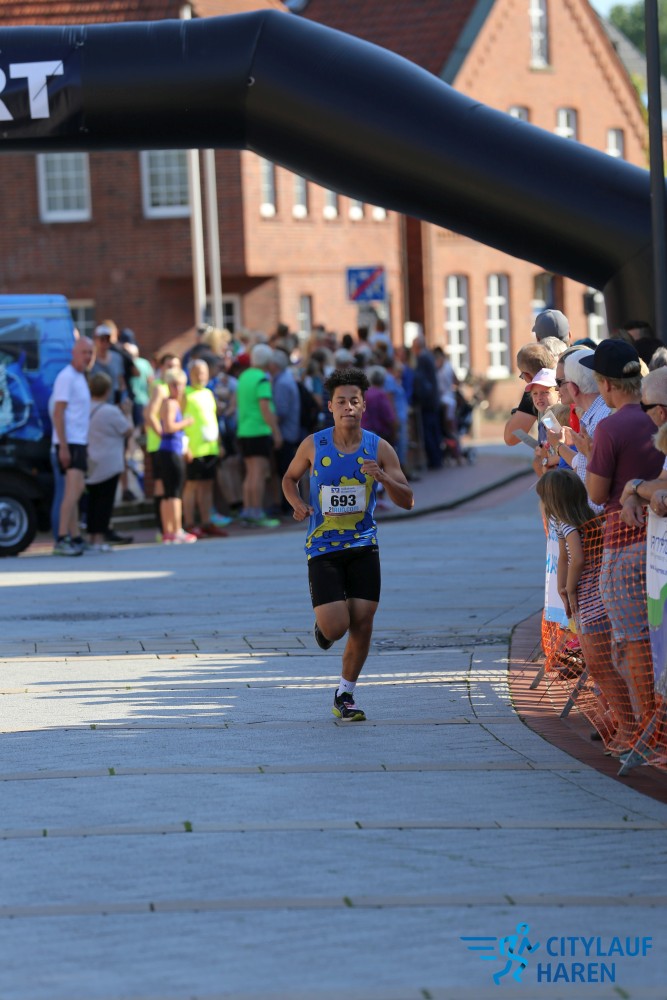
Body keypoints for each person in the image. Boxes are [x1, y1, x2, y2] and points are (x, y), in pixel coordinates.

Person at [282, 367, 414, 721]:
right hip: (323, 548)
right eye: (341, 401)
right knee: (336, 627)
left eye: (354, 401)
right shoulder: (314, 444)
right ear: (330, 406)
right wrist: (297, 503)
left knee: (363, 621)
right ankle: (324, 627)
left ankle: (345, 693)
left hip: (363, 545)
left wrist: (383, 477)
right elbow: (289, 478)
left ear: (363, 405)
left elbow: (408, 500)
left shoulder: (378, 447)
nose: (348, 407)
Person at [580, 339, 663, 739]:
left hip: (623, 542)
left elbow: (596, 494)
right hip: (657, 541)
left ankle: (647, 731)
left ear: (606, 384)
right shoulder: (656, 418)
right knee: (658, 638)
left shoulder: (610, 427)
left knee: (633, 643)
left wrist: (587, 454)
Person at [536, 469, 636, 751]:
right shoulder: (571, 520)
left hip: (593, 603)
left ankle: (628, 724)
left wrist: (568, 589)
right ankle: (621, 720)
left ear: (553, 500)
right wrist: (562, 588)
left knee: (601, 664)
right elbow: (564, 558)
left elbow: (576, 559)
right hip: (590, 602)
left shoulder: (569, 524)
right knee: (598, 665)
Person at [51, 337, 94, 556]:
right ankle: (61, 538)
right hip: (70, 442)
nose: (87, 357)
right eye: (84, 352)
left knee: (76, 491)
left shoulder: (80, 377)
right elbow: (58, 413)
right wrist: (63, 446)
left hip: (79, 441)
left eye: (90, 353)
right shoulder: (66, 377)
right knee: (72, 491)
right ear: (74, 353)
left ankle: (75, 537)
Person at [236, 343, 283, 528]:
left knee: (250, 473)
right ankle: (256, 511)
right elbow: (265, 408)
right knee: (258, 472)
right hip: (258, 430)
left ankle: (248, 511)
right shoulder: (262, 379)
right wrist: (276, 432)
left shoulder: (244, 376)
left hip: (244, 430)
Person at [86, 372, 133, 552]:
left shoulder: (84, 408)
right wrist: (127, 413)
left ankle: (92, 538)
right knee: (104, 502)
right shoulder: (110, 411)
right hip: (109, 463)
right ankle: (98, 539)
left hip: (90, 461)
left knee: (92, 502)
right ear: (106, 390)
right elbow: (127, 430)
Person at [182, 359, 228, 538]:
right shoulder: (185, 394)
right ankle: (189, 523)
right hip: (193, 449)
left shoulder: (209, 393)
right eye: (197, 373)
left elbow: (213, 420)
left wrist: (219, 443)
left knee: (207, 486)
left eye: (203, 372)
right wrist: (185, 446)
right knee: (192, 486)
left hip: (210, 448)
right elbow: (180, 419)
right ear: (190, 374)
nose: (201, 376)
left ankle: (206, 522)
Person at [159, 368, 197, 543]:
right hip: (171, 450)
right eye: (174, 385)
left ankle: (169, 531)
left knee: (169, 493)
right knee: (174, 492)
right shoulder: (171, 403)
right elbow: (168, 427)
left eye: (180, 385)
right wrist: (186, 422)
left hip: (170, 450)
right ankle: (176, 530)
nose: (178, 388)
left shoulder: (170, 403)